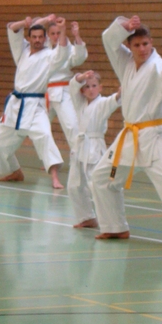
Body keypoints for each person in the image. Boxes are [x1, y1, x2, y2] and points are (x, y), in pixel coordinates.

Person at [89, 15, 162, 249]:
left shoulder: (160, 67)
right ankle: (115, 227)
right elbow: (108, 40)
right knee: (103, 177)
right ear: (129, 45)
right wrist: (124, 27)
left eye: (145, 43)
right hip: (129, 137)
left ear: (151, 42)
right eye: (136, 45)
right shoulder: (124, 62)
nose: (142, 49)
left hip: (155, 136)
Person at [0, 15, 70, 189]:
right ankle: (14, 171)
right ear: (29, 38)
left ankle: (55, 177)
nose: (37, 40)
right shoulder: (22, 51)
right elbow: (12, 28)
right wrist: (25, 23)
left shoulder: (49, 56)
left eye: (41, 37)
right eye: (34, 37)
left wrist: (63, 30)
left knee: (45, 136)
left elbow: (63, 52)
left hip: (35, 106)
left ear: (45, 38)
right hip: (15, 106)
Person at [67, 70, 121, 229]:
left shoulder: (102, 103)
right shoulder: (80, 103)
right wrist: (81, 77)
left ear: (100, 87)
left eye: (94, 86)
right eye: (87, 86)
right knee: (74, 186)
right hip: (80, 147)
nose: (91, 89)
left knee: (97, 185)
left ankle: (110, 220)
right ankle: (86, 217)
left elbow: (115, 100)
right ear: (82, 90)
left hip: (95, 147)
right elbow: (72, 86)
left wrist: (122, 91)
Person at [46, 18, 88, 147]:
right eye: (53, 33)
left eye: (58, 33)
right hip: (44, 92)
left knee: (72, 127)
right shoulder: (43, 50)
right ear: (48, 35)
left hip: (63, 91)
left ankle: (79, 156)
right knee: (37, 128)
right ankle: (50, 160)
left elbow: (79, 58)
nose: (56, 36)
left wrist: (77, 36)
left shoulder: (69, 49)